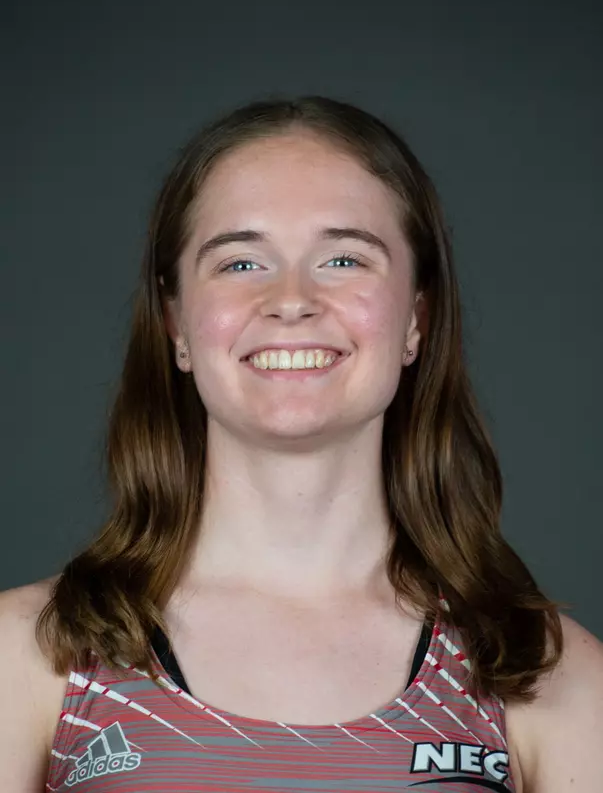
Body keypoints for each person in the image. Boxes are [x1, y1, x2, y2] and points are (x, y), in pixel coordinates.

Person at [1, 96, 601, 793]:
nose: (291, 299)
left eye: (343, 258)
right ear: (176, 324)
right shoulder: (28, 654)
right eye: (240, 263)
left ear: (415, 318)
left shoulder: (541, 671)